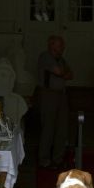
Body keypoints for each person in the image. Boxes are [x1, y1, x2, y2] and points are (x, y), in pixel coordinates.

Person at [36, 35, 73, 169]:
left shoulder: (61, 59)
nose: (63, 47)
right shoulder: (45, 57)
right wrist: (62, 73)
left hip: (61, 95)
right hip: (48, 95)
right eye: (60, 45)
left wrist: (62, 73)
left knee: (61, 128)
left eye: (63, 45)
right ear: (51, 45)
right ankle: (44, 159)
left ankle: (58, 158)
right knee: (48, 128)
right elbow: (59, 71)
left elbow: (71, 74)